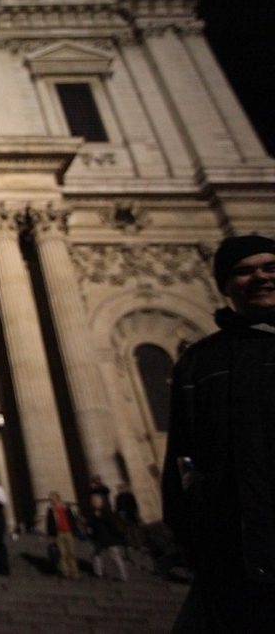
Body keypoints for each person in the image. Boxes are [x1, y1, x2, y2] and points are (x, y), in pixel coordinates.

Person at [163, 234, 275, 631]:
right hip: (233, 547)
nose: (260, 277)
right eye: (244, 270)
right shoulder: (199, 362)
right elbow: (181, 453)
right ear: (225, 284)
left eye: (269, 267)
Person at [85, 495, 128, 581]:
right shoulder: (93, 512)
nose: (94, 503)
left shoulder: (106, 511)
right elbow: (91, 524)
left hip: (109, 538)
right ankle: (98, 572)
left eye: (96, 501)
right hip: (97, 538)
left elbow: (112, 524)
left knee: (115, 557)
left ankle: (123, 575)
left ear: (101, 502)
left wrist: (117, 536)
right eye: (93, 502)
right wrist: (89, 529)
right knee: (95, 555)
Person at [45, 492, 80, 579]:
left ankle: (74, 571)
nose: (52, 501)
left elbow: (72, 519)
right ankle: (65, 571)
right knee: (62, 553)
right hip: (59, 533)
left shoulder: (66, 508)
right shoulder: (51, 510)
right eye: (51, 499)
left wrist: (74, 529)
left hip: (68, 532)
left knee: (71, 552)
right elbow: (49, 523)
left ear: (58, 498)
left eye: (53, 499)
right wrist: (51, 535)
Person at [114, 482, 141, 549]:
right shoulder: (118, 497)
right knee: (128, 530)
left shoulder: (129, 495)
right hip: (124, 515)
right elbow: (117, 507)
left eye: (121, 488)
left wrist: (136, 513)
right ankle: (132, 544)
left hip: (131, 514)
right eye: (119, 488)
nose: (120, 490)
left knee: (134, 530)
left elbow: (134, 504)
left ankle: (138, 544)